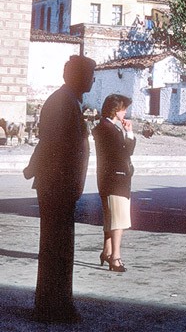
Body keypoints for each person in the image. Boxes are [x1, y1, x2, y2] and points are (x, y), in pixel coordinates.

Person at [24, 55, 96, 324]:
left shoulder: (68, 101)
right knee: (57, 248)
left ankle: (56, 304)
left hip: (60, 185)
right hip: (57, 185)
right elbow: (55, 146)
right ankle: (53, 307)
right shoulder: (63, 103)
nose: (92, 79)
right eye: (89, 74)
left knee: (59, 248)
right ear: (74, 76)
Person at [93, 94, 136, 273]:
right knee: (119, 220)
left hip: (108, 178)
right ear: (115, 109)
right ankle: (115, 257)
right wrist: (130, 133)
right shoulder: (109, 129)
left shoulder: (105, 127)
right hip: (116, 179)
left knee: (110, 218)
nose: (125, 112)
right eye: (123, 108)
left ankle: (107, 251)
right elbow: (125, 152)